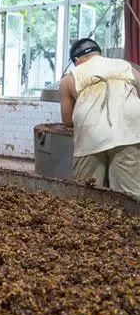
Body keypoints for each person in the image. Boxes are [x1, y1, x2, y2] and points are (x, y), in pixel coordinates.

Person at [59, 38, 140, 197]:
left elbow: (67, 121)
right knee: (129, 195)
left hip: (91, 135)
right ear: (100, 54)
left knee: (87, 193)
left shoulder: (69, 77)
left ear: (76, 60)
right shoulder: (125, 66)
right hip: (130, 131)